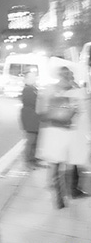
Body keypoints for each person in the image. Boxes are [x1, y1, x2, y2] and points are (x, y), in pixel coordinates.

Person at [36, 66, 91, 209]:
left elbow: (41, 112)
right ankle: (68, 193)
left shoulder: (50, 90)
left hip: (55, 131)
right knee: (68, 164)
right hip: (68, 131)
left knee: (55, 165)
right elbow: (82, 111)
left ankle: (59, 198)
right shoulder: (75, 90)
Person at [19, 71, 42, 169]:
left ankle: (33, 159)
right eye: (32, 77)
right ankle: (28, 161)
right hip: (30, 118)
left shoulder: (33, 88)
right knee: (31, 140)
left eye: (34, 77)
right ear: (26, 79)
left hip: (34, 118)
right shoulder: (28, 89)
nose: (34, 79)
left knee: (35, 140)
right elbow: (33, 102)